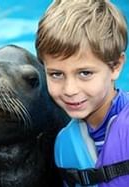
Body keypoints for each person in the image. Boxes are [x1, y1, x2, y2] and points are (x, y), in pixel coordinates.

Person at [35, 0, 129, 186]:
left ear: (116, 66)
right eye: (56, 74)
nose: (70, 90)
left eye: (85, 73)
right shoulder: (64, 144)